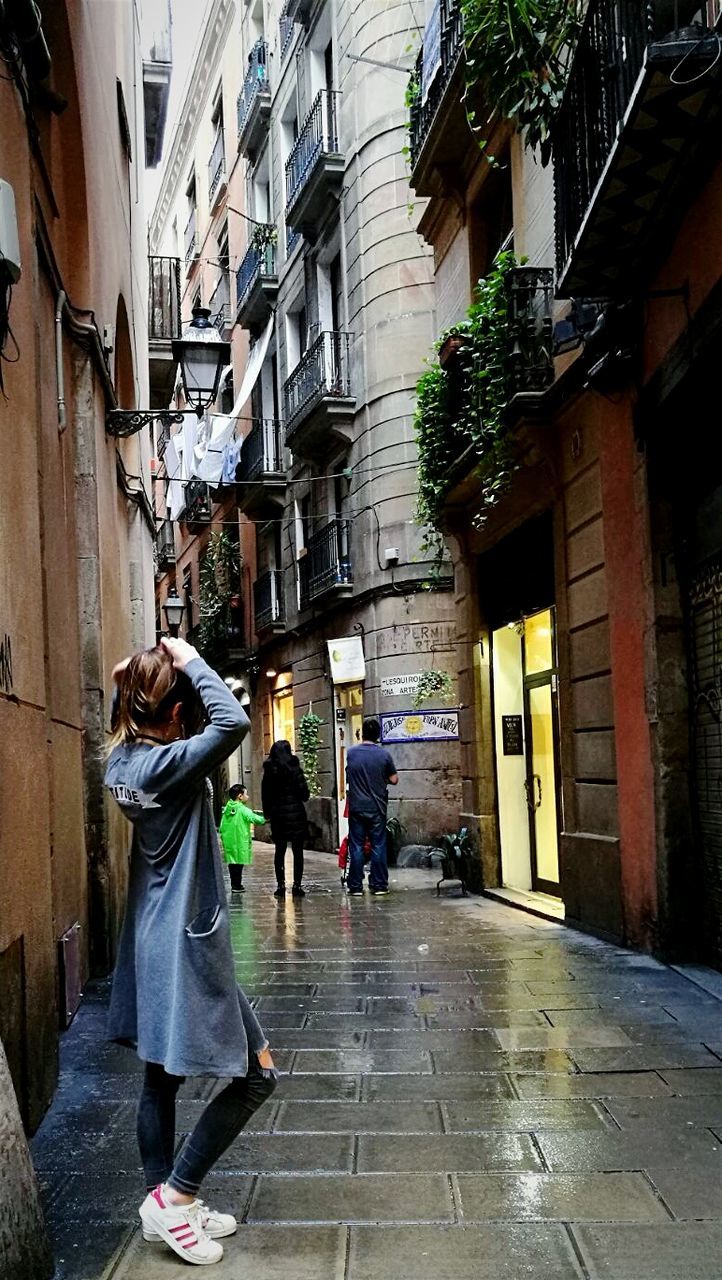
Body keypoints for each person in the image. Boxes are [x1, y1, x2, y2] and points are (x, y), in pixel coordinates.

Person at [105, 637, 278, 1266]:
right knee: (258, 1075)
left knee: (160, 1077)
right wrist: (191, 660)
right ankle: (175, 1198)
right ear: (178, 715)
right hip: (187, 944)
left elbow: (125, 716)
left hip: (158, 939)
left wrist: (135, 677)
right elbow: (234, 719)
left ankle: (163, 1200)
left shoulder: (121, 764)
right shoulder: (171, 763)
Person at [346, 716, 398, 897]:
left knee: (357, 846)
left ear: (362, 734)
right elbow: (394, 779)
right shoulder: (384, 755)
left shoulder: (351, 753)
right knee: (378, 845)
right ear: (377, 735)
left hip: (357, 806)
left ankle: (355, 886)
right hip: (377, 807)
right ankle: (379, 885)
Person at [262, 739, 309, 898]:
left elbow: (266, 795)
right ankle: (297, 885)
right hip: (296, 814)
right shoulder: (296, 769)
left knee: (279, 851)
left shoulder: (269, 771)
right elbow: (305, 794)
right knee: (298, 851)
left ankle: (281, 885)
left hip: (278, 816)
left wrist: (268, 814)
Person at [219, 783, 265, 892]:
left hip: (229, 841)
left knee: (232, 863)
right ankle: (237, 885)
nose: (247, 796)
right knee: (239, 864)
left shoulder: (226, 809)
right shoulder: (243, 809)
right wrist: (266, 819)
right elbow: (255, 818)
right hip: (240, 841)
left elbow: (221, 826)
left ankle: (234, 884)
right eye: (246, 794)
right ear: (240, 796)